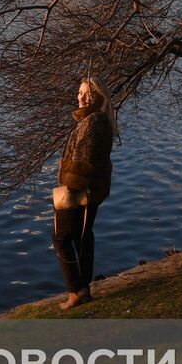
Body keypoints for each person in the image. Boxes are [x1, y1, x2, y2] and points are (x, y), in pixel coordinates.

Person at [52, 77, 117, 310]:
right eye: (80, 92)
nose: (81, 97)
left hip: (81, 190)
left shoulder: (92, 122)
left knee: (61, 238)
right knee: (81, 237)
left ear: (98, 97)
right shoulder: (95, 119)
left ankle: (75, 291)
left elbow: (84, 160)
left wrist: (70, 187)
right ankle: (83, 290)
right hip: (90, 190)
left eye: (88, 93)